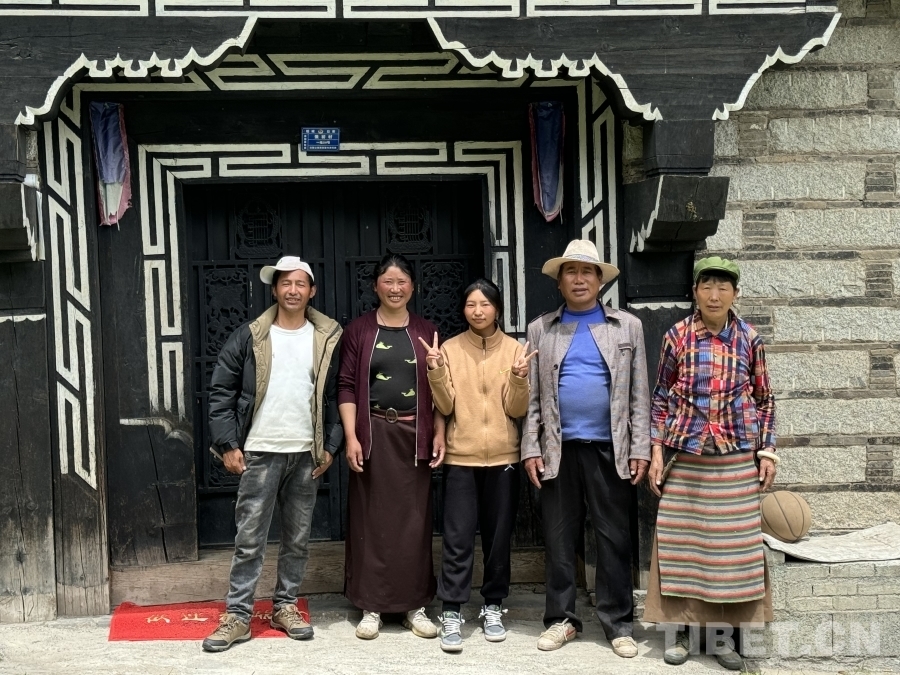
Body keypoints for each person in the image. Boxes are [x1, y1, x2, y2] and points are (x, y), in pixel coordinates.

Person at [202, 256, 343, 652]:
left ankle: (285, 606)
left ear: (312, 291)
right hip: (260, 451)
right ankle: (238, 615)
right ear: (275, 289)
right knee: (250, 539)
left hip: (306, 453)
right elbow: (222, 391)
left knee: (297, 539)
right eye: (286, 283)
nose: (293, 290)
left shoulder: (327, 337)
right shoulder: (250, 336)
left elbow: (336, 395)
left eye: (300, 284)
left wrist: (331, 446)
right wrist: (228, 444)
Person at [644, 256, 778, 671]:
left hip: (735, 457)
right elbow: (660, 397)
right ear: (695, 292)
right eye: (707, 286)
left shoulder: (749, 339)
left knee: (729, 551)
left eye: (723, 287)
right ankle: (682, 633)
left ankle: (723, 638)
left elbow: (765, 399)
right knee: (684, 545)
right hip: (687, 456)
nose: (714, 295)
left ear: (735, 293)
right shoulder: (677, 336)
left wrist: (768, 451)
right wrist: (655, 452)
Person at [521, 239, 650, 658]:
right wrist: (531, 447)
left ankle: (618, 624)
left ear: (599, 281)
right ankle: (562, 619)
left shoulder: (626, 326)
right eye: (571, 272)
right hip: (558, 448)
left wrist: (641, 447)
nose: (579, 279)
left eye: (587, 272)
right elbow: (533, 396)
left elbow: (639, 393)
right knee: (559, 538)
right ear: (559, 282)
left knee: (614, 538)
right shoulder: (542, 329)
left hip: (612, 448)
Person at [419, 278, 536, 653]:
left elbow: (517, 409)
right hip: (461, 457)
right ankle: (451, 610)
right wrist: (437, 370)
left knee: (498, 539)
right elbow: (446, 406)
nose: (478, 311)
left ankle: (493, 606)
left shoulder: (515, 350)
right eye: (471, 304)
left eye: (485, 304)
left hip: (504, 457)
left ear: (497, 308)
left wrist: (518, 377)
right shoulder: (450, 349)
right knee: (457, 538)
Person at [338, 252, 445, 641]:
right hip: (373, 435)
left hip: (414, 437)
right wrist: (351, 436)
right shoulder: (359, 331)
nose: (395, 288)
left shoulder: (427, 331)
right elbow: (346, 385)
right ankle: (372, 605)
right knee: (371, 520)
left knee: (414, 522)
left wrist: (439, 432)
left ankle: (415, 605)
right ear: (375, 286)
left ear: (412, 287)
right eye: (388, 281)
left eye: (402, 282)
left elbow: (441, 390)